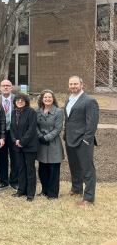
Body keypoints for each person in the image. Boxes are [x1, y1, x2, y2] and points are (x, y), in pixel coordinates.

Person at [63, 76, 99, 206]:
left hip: (83, 141)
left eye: (75, 84)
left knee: (87, 169)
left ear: (81, 85)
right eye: (71, 84)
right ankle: (76, 189)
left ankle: (88, 198)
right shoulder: (68, 100)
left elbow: (92, 123)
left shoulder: (89, 101)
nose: (73, 86)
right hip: (70, 139)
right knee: (74, 166)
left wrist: (87, 140)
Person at [10, 92, 39, 202]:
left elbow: (31, 129)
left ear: (26, 102)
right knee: (20, 168)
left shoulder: (31, 112)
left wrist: (22, 141)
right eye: (17, 100)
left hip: (29, 145)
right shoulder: (13, 113)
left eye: (22, 100)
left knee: (30, 169)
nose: (20, 102)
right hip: (17, 146)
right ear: (15, 102)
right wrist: (14, 140)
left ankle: (30, 193)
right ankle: (21, 190)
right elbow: (12, 128)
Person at [36, 89, 64, 199]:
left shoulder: (58, 112)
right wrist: (40, 136)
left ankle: (52, 194)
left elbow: (58, 129)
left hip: (53, 144)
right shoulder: (37, 111)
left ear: (53, 99)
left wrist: (46, 138)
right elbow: (35, 126)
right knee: (42, 169)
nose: (47, 99)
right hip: (41, 143)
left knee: (53, 170)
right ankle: (44, 190)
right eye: (45, 97)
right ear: (42, 99)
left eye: (50, 97)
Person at [0, 80, 18, 191]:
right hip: (0, 133)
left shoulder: (17, 99)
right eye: (3, 86)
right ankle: (4, 181)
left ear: (11, 87)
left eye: (7, 86)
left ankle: (14, 181)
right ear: (0, 88)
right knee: (2, 157)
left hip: (14, 133)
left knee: (15, 157)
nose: (5, 87)